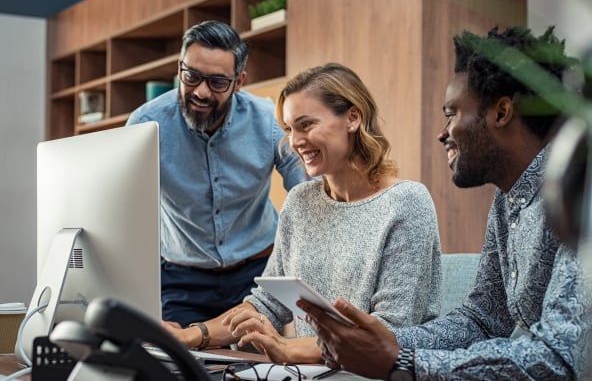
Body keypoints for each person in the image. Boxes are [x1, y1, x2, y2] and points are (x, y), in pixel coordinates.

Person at [299, 26, 592, 380]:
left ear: (501, 112)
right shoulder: (507, 200)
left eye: (451, 113)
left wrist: (405, 363)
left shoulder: (580, 192)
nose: (443, 132)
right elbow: (482, 320)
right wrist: (388, 342)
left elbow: (558, 360)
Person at [162, 62, 442, 364]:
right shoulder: (300, 201)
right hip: (310, 371)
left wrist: (289, 348)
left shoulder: (407, 202)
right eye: (289, 129)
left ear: (352, 117)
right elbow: (266, 304)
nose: (294, 142)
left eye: (306, 125)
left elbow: (390, 332)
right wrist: (192, 335)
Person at [126, 20, 308, 327]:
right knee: (181, 367)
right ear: (179, 66)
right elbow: (123, 207)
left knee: (254, 370)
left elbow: (307, 195)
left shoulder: (267, 122)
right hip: (181, 280)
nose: (201, 91)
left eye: (217, 82)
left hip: (257, 276)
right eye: (192, 76)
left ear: (239, 82)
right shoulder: (146, 125)